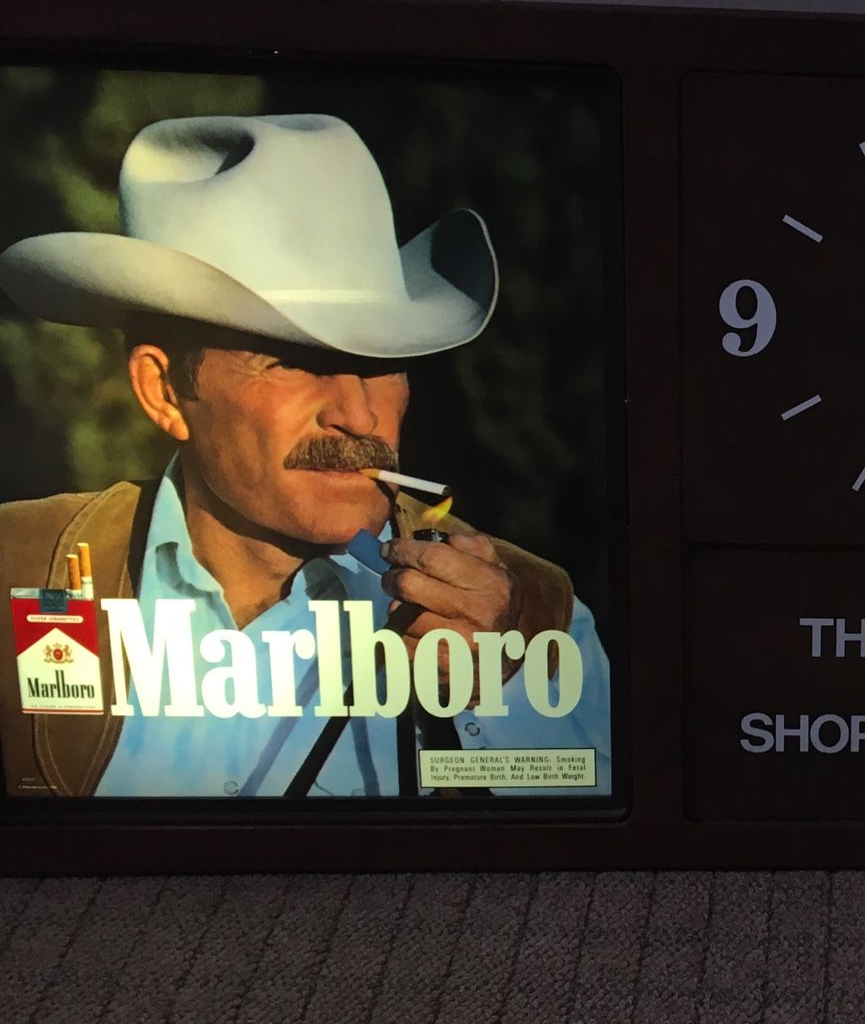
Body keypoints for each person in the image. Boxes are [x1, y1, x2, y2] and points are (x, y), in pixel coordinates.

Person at [0, 112, 612, 797]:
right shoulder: (18, 572)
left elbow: (594, 887)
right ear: (165, 389)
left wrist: (493, 688)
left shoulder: (531, 617)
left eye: (381, 361)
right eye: (294, 363)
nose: (356, 413)